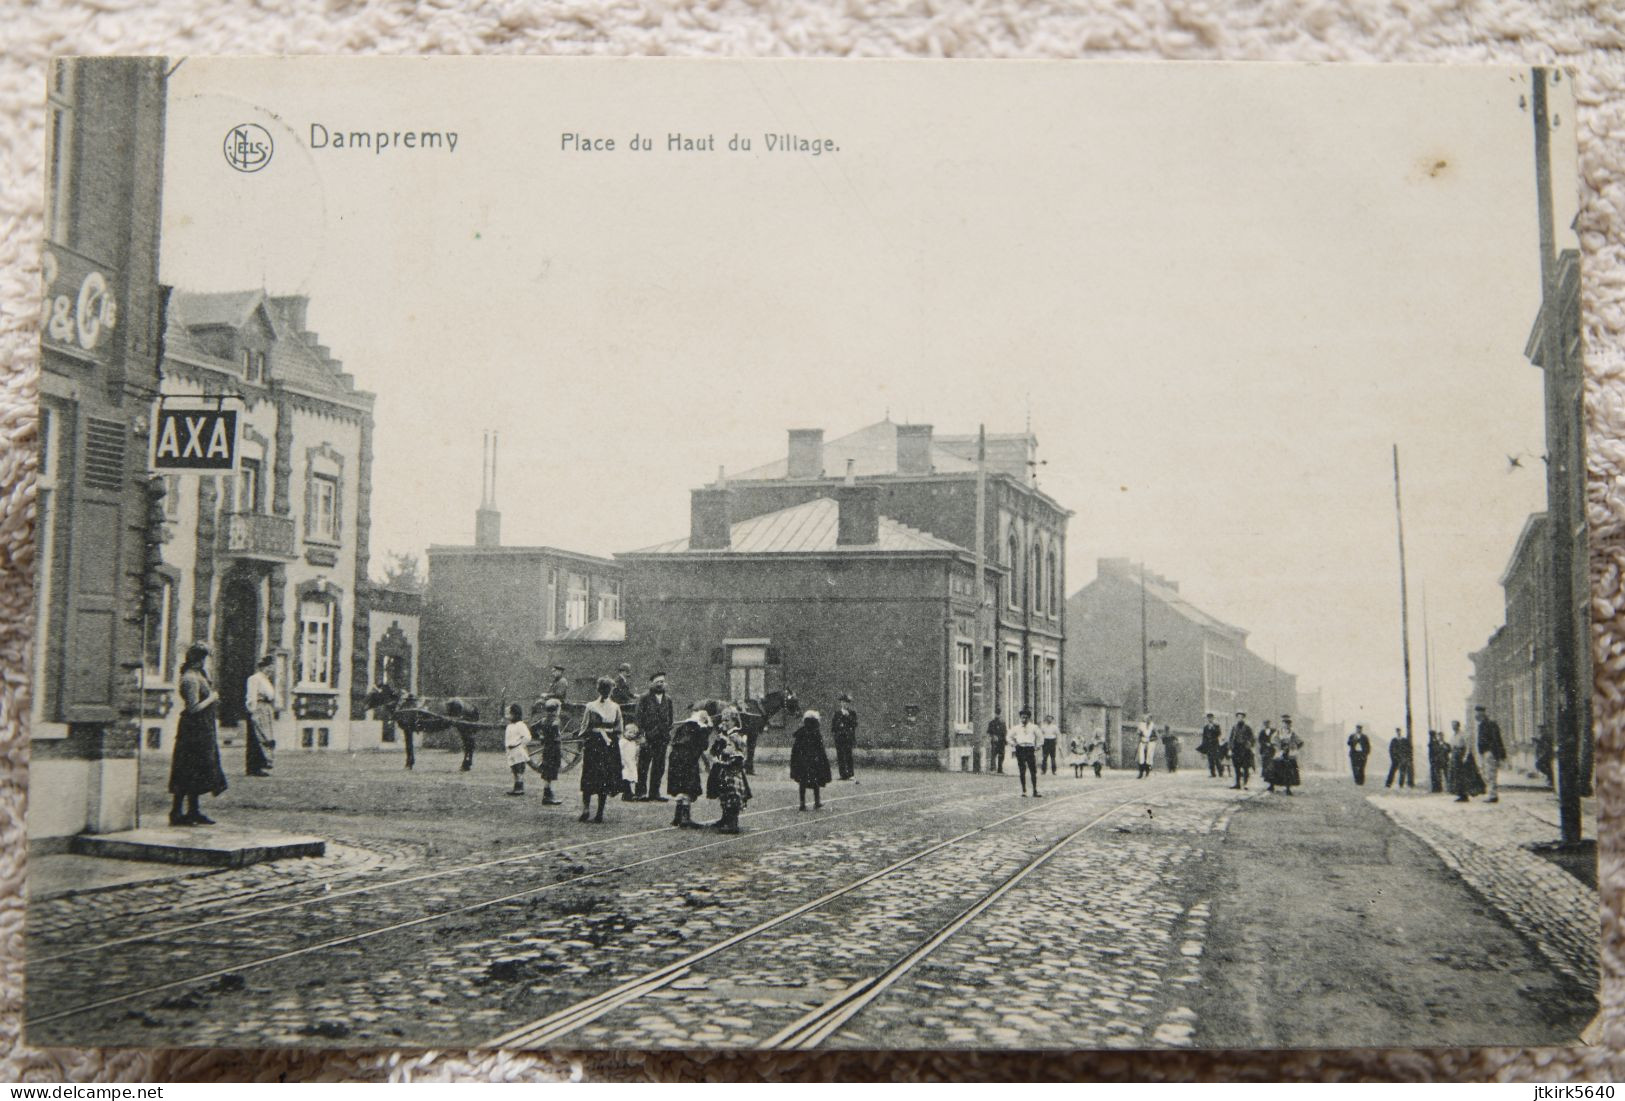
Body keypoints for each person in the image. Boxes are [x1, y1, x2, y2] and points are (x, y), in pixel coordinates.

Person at [168, 643, 227, 826]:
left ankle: (194, 810)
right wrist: (212, 698)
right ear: (197, 660)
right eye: (203, 659)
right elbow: (193, 708)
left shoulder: (199, 676)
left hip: (203, 728)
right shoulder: (190, 679)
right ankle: (176, 812)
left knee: (198, 769)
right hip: (193, 729)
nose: (205, 662)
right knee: (187, 768)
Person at [577, 676, 623, 823]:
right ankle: (588, 810)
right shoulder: (591, 706)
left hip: (605, 744)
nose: (606, 692)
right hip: (596, 744)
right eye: (604, 689)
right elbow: (585, 725)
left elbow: (618, 727)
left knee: (603, 777)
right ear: (600, 690)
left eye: (608, 689)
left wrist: (614, 741)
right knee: (591, 775)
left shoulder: (615, 707)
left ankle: (598, 812)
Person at [666, 707, 711, 828]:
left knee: (680, 786)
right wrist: (708, 728)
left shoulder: (682, 727)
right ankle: (685, 818)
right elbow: (704, 746)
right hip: (688, 759)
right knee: (688, 787)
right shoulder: (700, 729)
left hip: (675, 759)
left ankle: (677, 816)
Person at [635, 672, 674, 801]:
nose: (660, 684)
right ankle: (640, 793)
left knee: (659, 766)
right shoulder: (644, 698)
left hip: (662, 738)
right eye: (657, 682)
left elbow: (670, 719)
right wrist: (641, 736)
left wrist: (667, 730)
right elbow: (638, 718)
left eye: (662, 682)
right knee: (643, 765)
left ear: (665, 683)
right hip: (648, 737)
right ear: (651, 684)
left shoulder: (668, 699)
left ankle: (654, 793)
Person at [790, 710, 833, 810]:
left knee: (802, 782)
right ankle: (817, 802)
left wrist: (795, 761)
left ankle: (802, 804)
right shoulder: (816, 732)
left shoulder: (801, 732)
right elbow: (820, 748)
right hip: (814, 761)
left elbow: (795, 749)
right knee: (816, 781)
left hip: (802, 761)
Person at [244, 654, 277, 777]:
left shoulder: (266, 679)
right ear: (264, 667)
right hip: (258, 708)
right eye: (269, 667)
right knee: (257, 736)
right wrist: (252, 712)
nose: (271, 669)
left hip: (266, 708)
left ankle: (263, 763)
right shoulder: (255, 679)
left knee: (266, 736)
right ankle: (253, 767)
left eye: (272, 667)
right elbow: (251, 696)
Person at [529, 698, 564, 805]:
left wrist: (540, 736)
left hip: (546, 749)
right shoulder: (556, 721)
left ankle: (547, 795)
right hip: (554, 749)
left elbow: (532, 728)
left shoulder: (543, 720)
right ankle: (549, 797)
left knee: (547, 773)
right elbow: (556, 735)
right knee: (552, 773)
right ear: (557, 709)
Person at [1476, 705, 1506, 804]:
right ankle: (1492, 794)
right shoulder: (1482, 725)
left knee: (1490, 774)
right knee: (1487, 774)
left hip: (1490, 752)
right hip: (1485, 752)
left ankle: (1493, 795)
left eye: (1479, 712)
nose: (1477, 715)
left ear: (1483, 713)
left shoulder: (1490, 724)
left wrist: (1498, 753)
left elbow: (1496, 739)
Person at [1009, 708, 1043, 796]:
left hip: (1029, 749)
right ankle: (1024, 790)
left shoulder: (1034, 727)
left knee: (1033, 770)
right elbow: (1008, 737)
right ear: (1020, 718)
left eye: (1026, 718)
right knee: (1022, 770)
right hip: (1020, 749)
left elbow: (1040, 737)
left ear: (1029, 718)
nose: (1024, 719)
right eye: (1022, 717)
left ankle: (1035, 790)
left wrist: (1038, 746)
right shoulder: (1016, 728)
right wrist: (1014, 744)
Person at [1450, 718, 1484, 802]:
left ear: (1458, 726)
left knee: (1465, 776)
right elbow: (1452, 747)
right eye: (1452, 725)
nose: (1453, 727)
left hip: (1462, 756)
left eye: (1455, 725)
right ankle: (1460, 794)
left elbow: (1468, 746)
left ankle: (1466, 794)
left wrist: (1465, 757)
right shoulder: (1453, 736)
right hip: (1456, 757)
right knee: (1457, 777)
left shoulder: (1463, 734)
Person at [1269, 715, 1303, 795]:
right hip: (1280, 751)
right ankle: (1272, 785)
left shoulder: (1292, 733)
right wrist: (1277, 747)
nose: (1286, 725)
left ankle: (1288, 788)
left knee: (1289, 770)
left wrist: (1295, 748)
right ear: (1282, 724)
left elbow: (1300, 742)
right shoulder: (1278, 732)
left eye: (1288, 723)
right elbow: (1273, 740)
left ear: (1290, 724)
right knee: (1275, 768)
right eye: (1285, 723)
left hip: (1289, 753)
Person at [503, 703, 531, 796]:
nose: (507, 716)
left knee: (519, 770)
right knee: (514, 769)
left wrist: (520, 745)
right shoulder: (510, 726)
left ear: (515, 714)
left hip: (518, 751)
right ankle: (516, 787)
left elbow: (527, 737)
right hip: (511, 751)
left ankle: (520, 788)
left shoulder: (520, 725)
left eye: (509, 713)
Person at [832, 694, 859, 782]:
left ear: (848, 704)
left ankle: (851, 774)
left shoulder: (852, 713)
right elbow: (833, 726)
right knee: (840, 756)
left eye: (846, 702)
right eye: (843, 702)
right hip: (839, 737)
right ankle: (843, 774)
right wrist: (837, 733)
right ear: (840, 703)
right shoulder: (837, 713)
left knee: (848, 755)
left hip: (848, 737)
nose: (844, 704)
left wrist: (848, 716)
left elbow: (855, 724)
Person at [1229, 711, 1255, 790]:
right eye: (1238, 717)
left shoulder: (1247, 727)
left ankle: (1246, 784)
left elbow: (1252, 738)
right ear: (1236, 718)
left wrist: (1249, 744)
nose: (1240, 718)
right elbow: (1231, 738)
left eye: (1241, 717)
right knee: (1236, 767)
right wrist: (1230, 748)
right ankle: (1237, 783)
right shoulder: (1234, 727)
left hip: (1245, 750)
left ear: (1244, 718)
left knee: (1245, 767)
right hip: (1236, 749)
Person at [618, 721, 643, 802]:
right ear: (625, 732)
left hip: (631, 763)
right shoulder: (623, 742)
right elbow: (620, 752)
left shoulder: (634, 743)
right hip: (625, 763)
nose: (631, 734)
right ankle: (628, 793)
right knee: (625, 777)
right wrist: (621, 761)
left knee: (631, 778)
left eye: (633, 733)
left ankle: (627, 794)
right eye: (629, 732)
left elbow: (636, 753)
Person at [1199, 714, 1223, 778]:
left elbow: (1219, 733)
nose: (1210, 719)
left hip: (1215, 745)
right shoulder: (1206, 727)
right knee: (1210, 760)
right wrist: (1203, 745)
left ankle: (1220, 773)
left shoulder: (1216, 726)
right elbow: (1204, 737)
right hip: (1208, 745)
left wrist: (1213, 728)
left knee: (1217, 759)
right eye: (1208, 718)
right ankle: (1213, 773)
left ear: (1213, 718)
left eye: (1211, 718)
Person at [1134, 715, 1157, 780]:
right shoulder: (1142, 726)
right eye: (1147, 719)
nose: (1147, 720)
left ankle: (1147, 772)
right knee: (1141, 758)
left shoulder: (1153, 727)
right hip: (1142, 743)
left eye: (1149, 719)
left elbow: (1156, 736)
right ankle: (1141, 773)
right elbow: (1138, 733)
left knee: (1148, 758)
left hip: (1150, 744)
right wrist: (1139, 734)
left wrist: (1151, 739)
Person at [1427, 729, 1450, 793]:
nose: (1441, 737)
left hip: (1445, 761)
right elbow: (1433, 751)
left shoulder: (1446, 744)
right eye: (1439, 736)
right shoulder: (1435, 744)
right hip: (1438, 762)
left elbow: (1449, 750)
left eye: (1442, 736)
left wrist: (1446, 748)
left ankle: (1449, 788)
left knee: (1447, 775)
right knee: (1438, 775)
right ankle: (1439, 789)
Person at [986, 709, 1008, 774]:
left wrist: (1005, 740)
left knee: (1001, 755)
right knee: (993, 754)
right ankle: (993, 768)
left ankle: (1000, 769)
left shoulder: (1003, 723)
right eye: (996, 714)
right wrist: (993, 736)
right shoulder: (992, 723)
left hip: (1001, 741)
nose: (998, 715)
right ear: (994, 714)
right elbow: (989, 731)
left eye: (999, 714)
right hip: (995, 741)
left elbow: (1005, 732)